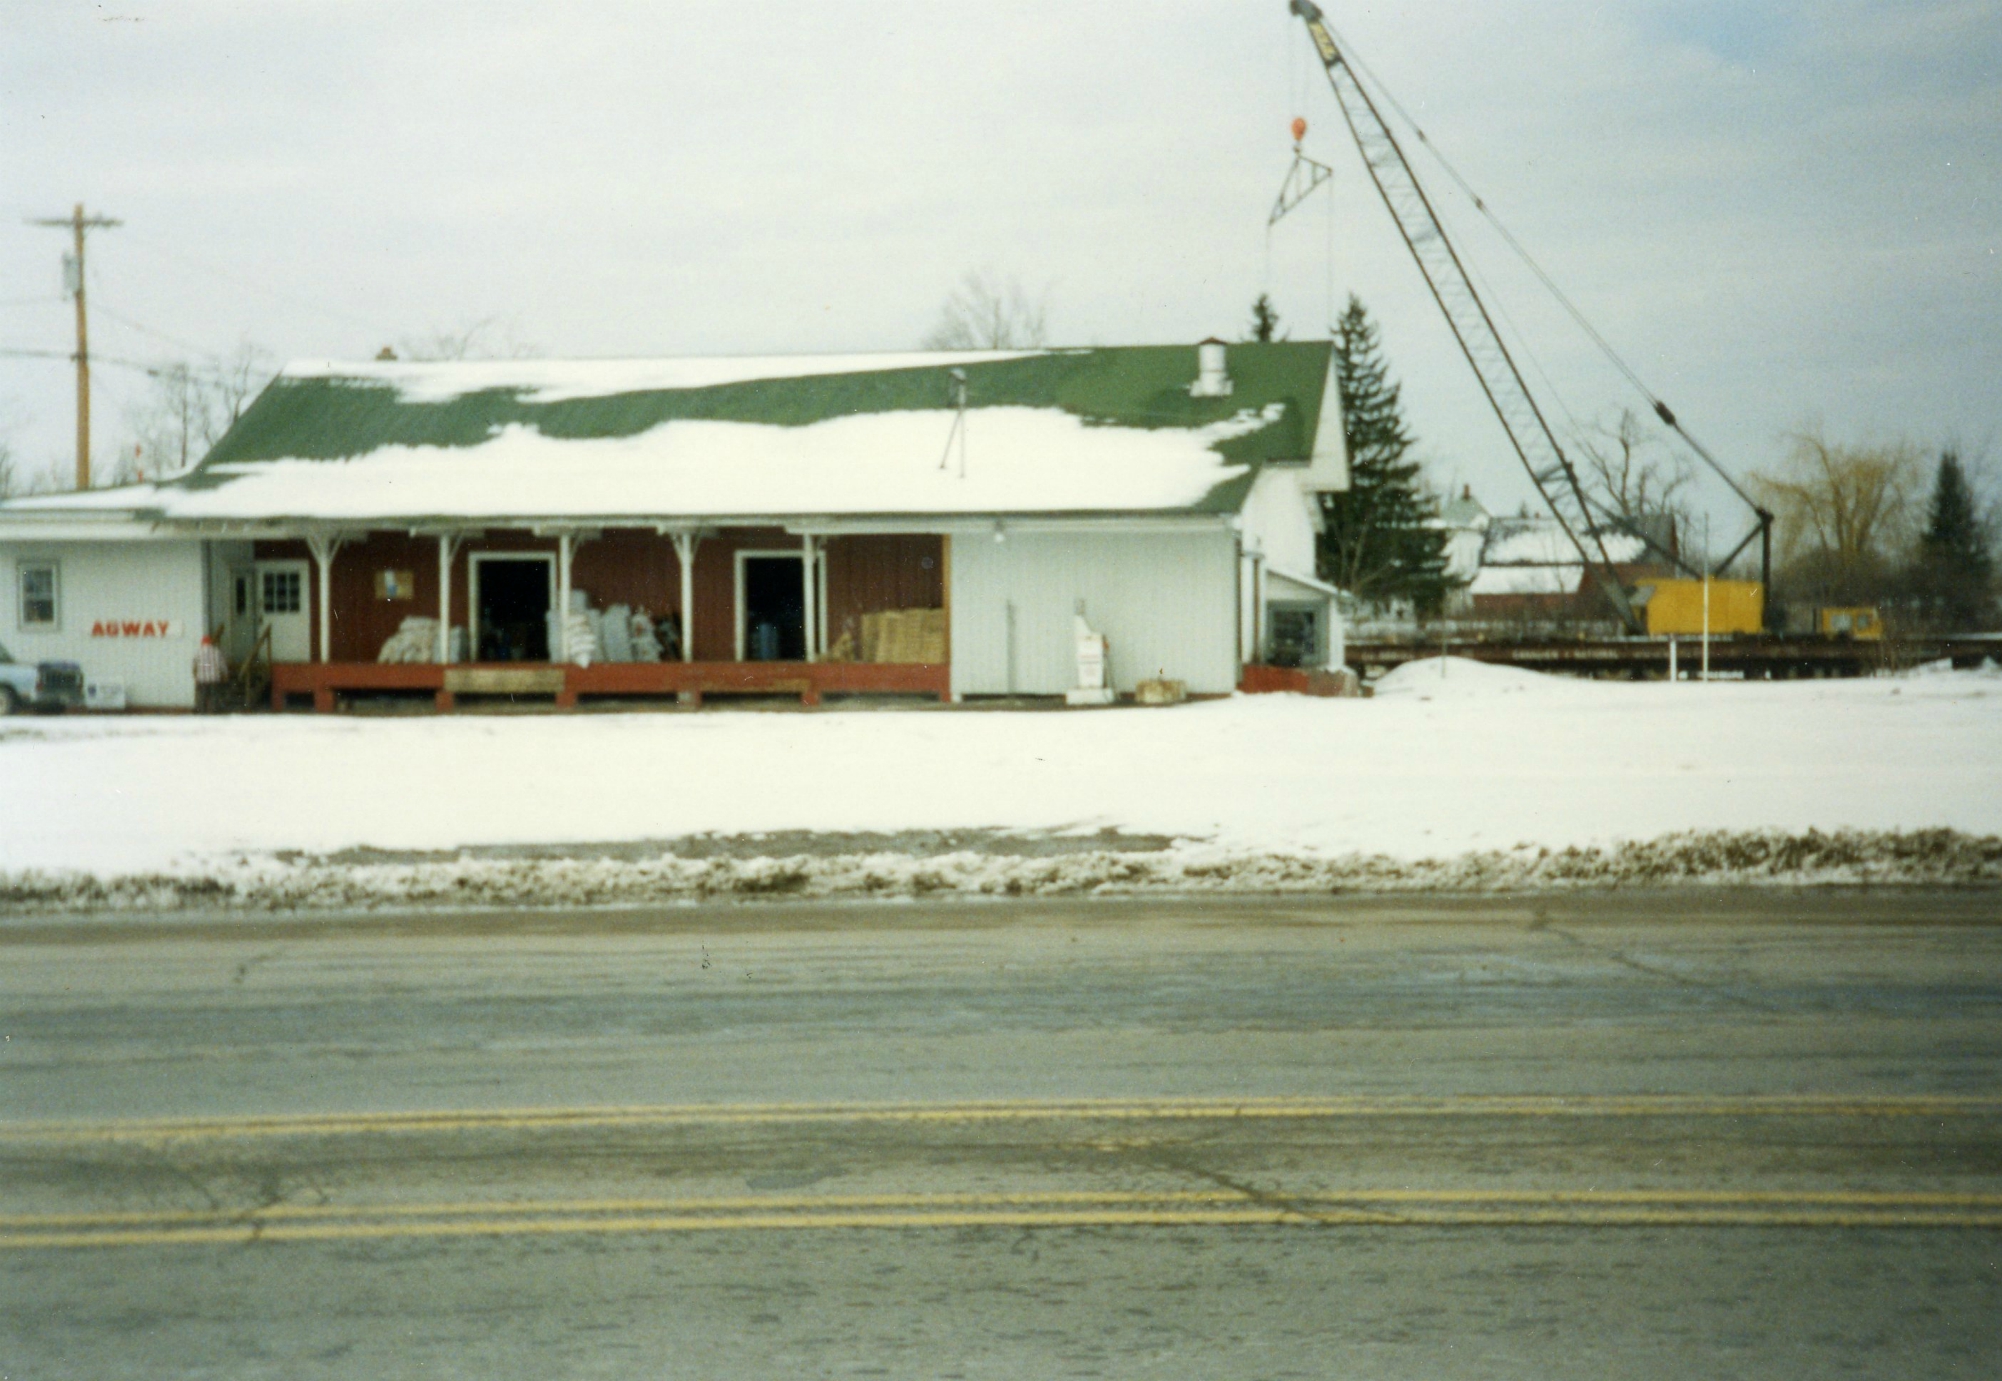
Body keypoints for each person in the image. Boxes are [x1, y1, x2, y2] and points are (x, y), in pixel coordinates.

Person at [193, 633, 229, 714]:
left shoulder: (198, 652)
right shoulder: (217, 652)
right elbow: (222, 665)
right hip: (214, 678)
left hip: (202, 679)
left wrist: (195, 677)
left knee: (202, 697)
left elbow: (194, 666)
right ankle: (213, 712)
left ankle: (201, 712)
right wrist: (225, 675)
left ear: (202, 643)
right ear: (211, 642)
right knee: (214, 697)